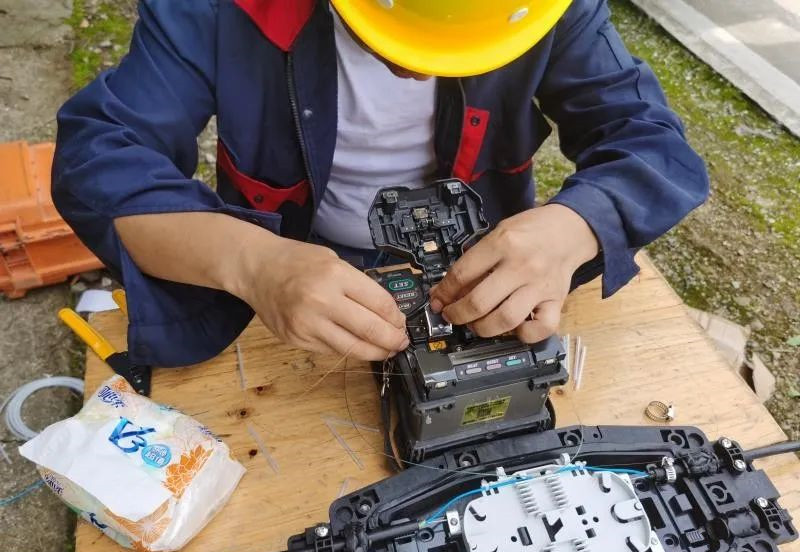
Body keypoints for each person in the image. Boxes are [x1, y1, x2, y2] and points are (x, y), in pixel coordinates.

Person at [52, 0, 709, 367]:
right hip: (292, 273)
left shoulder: (543, 9)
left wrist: (576, 226)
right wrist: (252, 264)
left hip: (480, 274)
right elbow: (98, 157)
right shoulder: (219, 10)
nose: (424, 68)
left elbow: (653, 144)